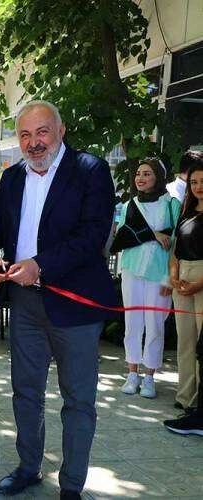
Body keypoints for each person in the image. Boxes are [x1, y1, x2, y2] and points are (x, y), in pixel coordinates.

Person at [0, 100, 116, 499]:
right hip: (24, 304)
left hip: (76, 306)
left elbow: (93, 235)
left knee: (78, 400)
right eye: (25, 135)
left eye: (42, 132)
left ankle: (71, 485)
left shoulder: (89, 170)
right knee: (26, 392)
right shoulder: (12, 177)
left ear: (61, 131)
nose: (34, 142)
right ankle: (28, 467)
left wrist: (41, 265)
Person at [116, 158, 180, 398]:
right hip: (132, 270)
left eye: (147, 174)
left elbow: (176, 242)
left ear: (158, 177)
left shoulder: (172, 204)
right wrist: (153, 234)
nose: (140, 178)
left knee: (155, 324)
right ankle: (132, 373)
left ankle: (150, 376)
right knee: (132, 322)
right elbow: (123, 235)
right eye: (138, 174)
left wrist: (169, 278)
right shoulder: (130, 205)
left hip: (159, 273)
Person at [169, 157, 203, 411]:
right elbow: (175, 250)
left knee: (202, 344)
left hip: (201, 278)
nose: (198, 186)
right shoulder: (185, 212)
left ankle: (199, 401)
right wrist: (173, 276)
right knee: (186, 342)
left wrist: (199, 283)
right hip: (181, 278)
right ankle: (185, 396)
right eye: (193, 182)